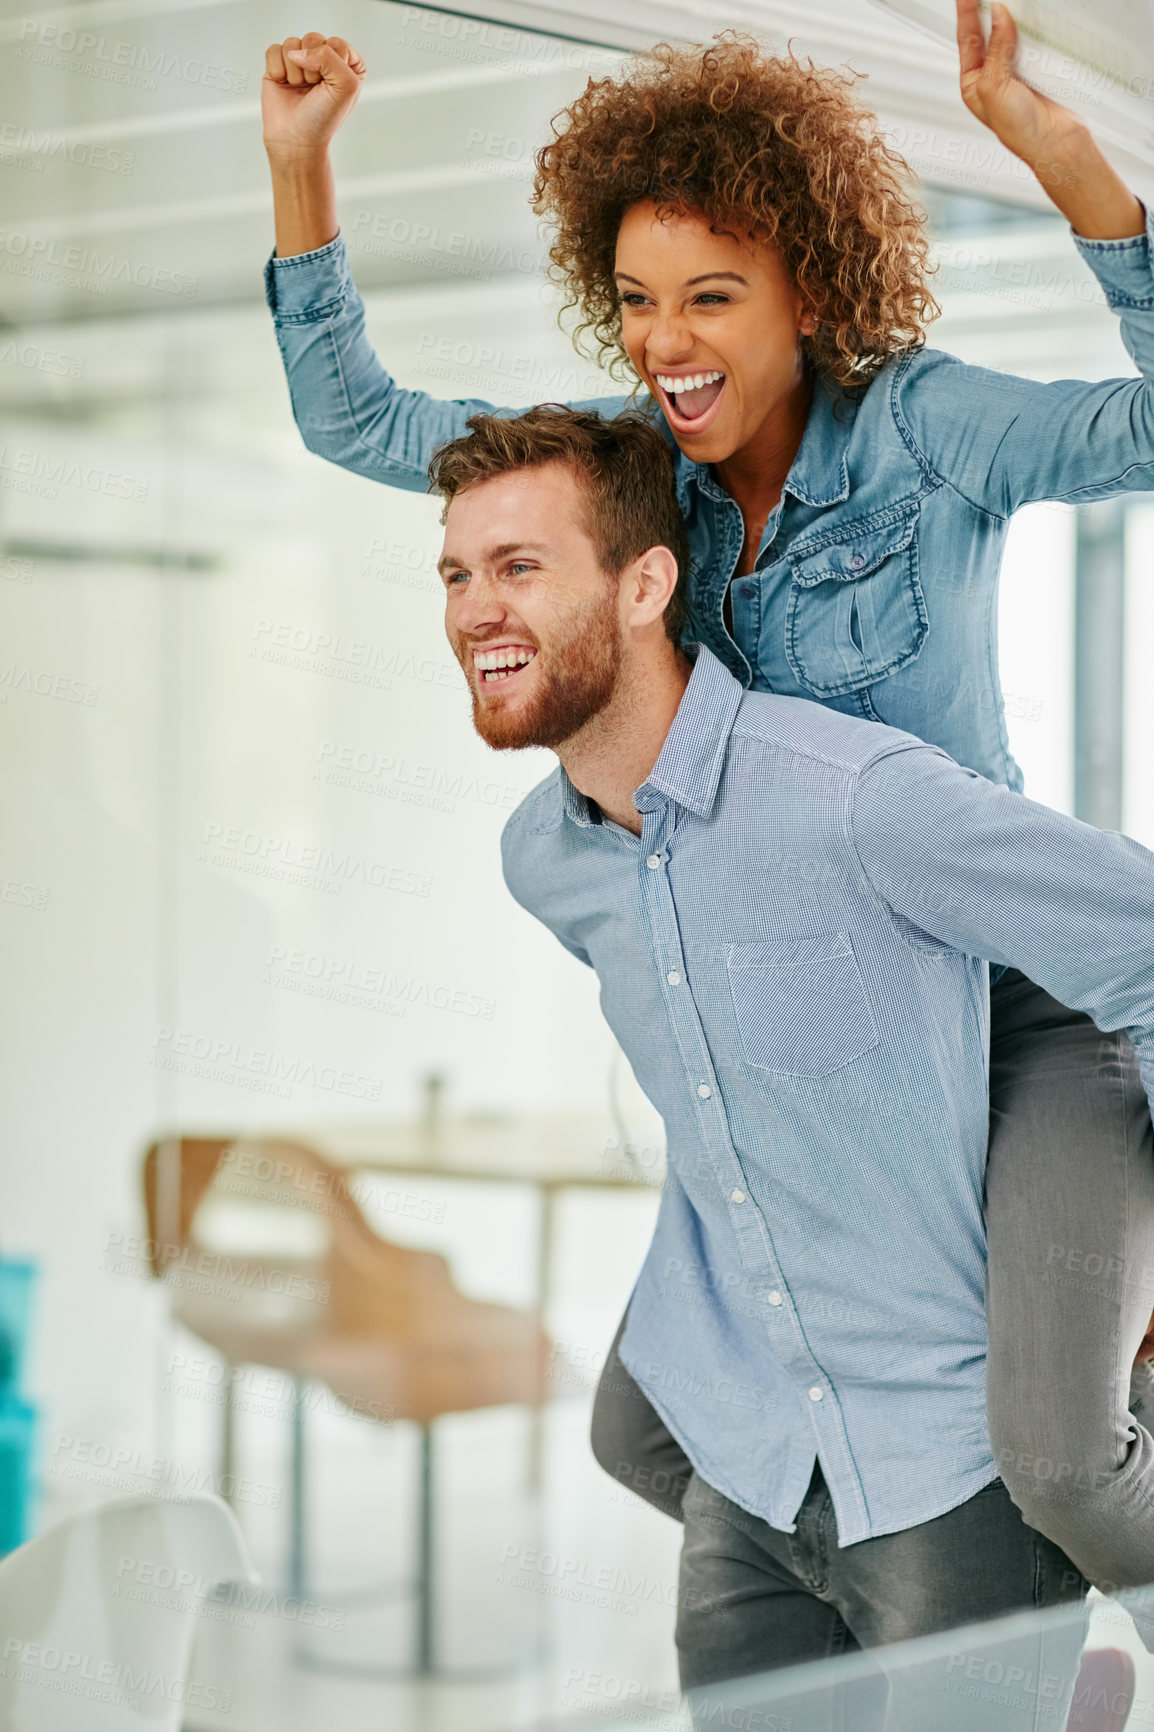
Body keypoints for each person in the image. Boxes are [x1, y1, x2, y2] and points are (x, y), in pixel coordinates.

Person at [259, 8, 1154, 1593]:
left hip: (1010, 1005)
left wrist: (1063, 161)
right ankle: (906, 1609)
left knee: (1065, 1461)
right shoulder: (636, 473)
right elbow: (359, 422)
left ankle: (1028, 1605)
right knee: (647, 1432)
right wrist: (301, 165)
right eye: (636, 302)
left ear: (808, 292)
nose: (665, 342)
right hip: (821, 1010)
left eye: (712, 298)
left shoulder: (922, 429)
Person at [425, 401, 1154, 1719]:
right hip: (754, 1469)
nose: (478, 606)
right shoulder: (544, 863)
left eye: (520, 566)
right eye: (458, 573)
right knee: (624, 1428)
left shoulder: (852, 797)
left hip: (944, 1472)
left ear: (647, 582)